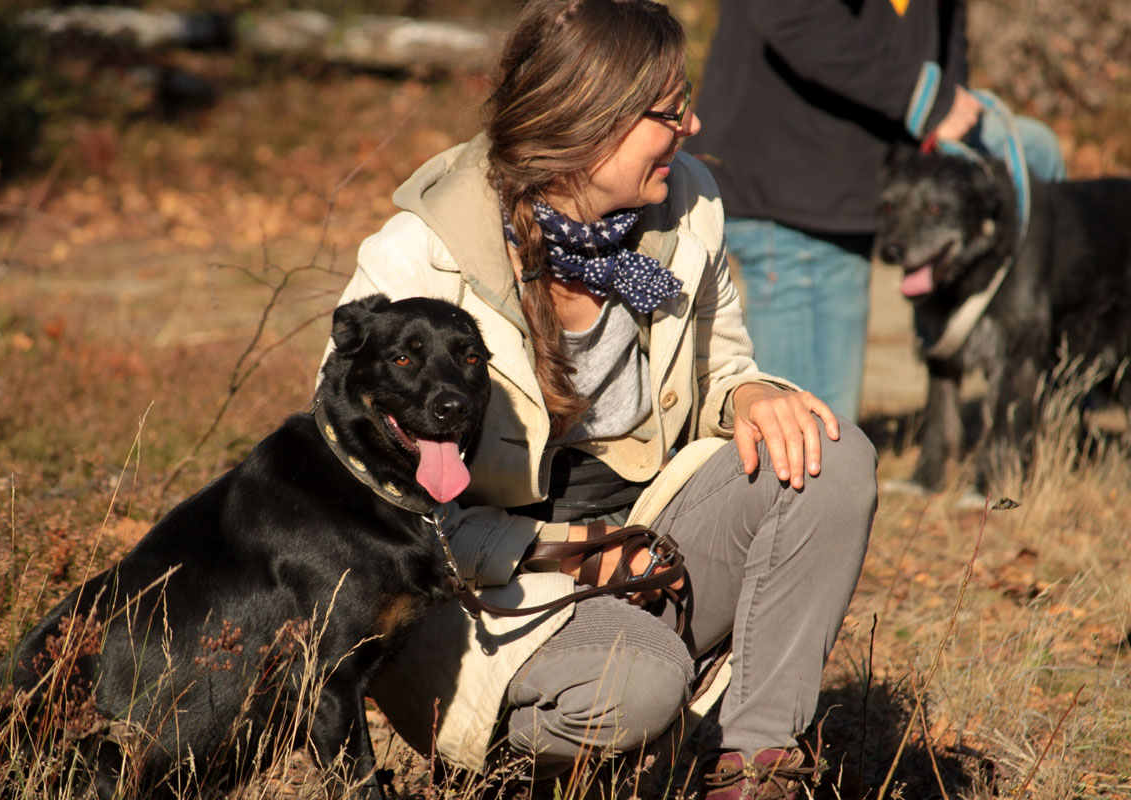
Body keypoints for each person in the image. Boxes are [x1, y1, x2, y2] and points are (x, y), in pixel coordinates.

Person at [318, 1, 877, 798]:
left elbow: (722, 363)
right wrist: (570, 550)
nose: (692, 126)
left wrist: (753, 392)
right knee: (637, 680)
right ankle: (537, 767)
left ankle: (753, 767)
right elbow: (353, 489)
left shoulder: (685, 204)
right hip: (472, 585)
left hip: (647, 535)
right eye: (670, 110)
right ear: (589, 119)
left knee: (829, 458)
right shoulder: (423, 253)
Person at [687, 0, 1066, 423]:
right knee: (811, 441)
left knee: (1036, 151)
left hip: (871, 162)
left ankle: (1066, 387)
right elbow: (790, 12)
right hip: (795, 186)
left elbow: (944, 24)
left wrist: (946, 106)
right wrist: (924, 97)